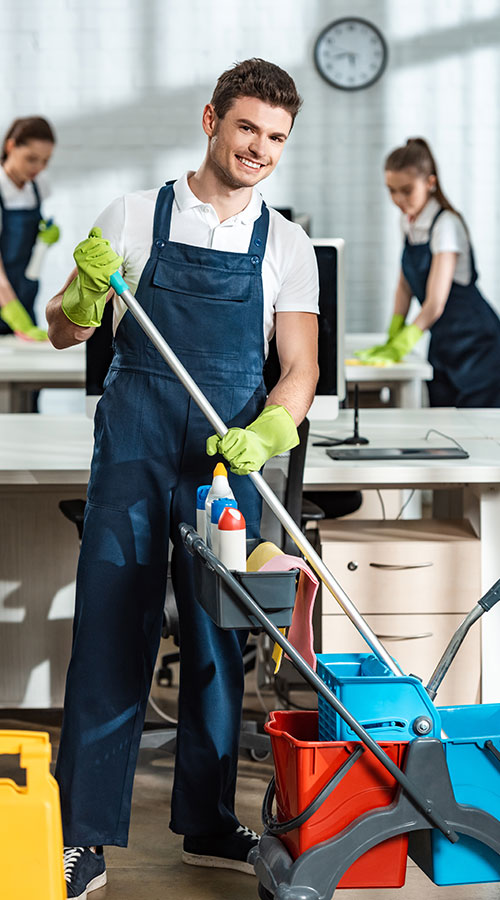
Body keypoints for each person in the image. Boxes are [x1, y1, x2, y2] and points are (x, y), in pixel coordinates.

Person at [46, 58, 319, 898]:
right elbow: (63, 330)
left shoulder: (285, 242)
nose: (259, 148)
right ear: (210, 120)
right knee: (108, 634)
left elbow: (299, 367)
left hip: (223, 461)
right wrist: (88, 292)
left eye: (276, 137)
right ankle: (83, 835)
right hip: (133, 449)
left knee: (215, 643)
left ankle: (206, 818)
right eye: (247, 128)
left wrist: (274, 426)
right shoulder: (135, 213)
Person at [357, 137, 500, 407]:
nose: (398, 200)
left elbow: (435, 303)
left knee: (478, 424)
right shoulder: (408, 221)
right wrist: (393, 331)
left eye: (406, 190)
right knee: (442, 420)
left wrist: (403, 344)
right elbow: (404, 286)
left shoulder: (446, 224)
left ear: (430, 183)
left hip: (478, 343)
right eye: (392, 190)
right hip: (443, 341)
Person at [0, 116, 59, 340]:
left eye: (45, 161)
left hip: (24, 295)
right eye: (31, 159)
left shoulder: (38, 186)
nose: (39, 168)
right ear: (11, 146)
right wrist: (14, 313)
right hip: (6, 298)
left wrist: (45, 238)